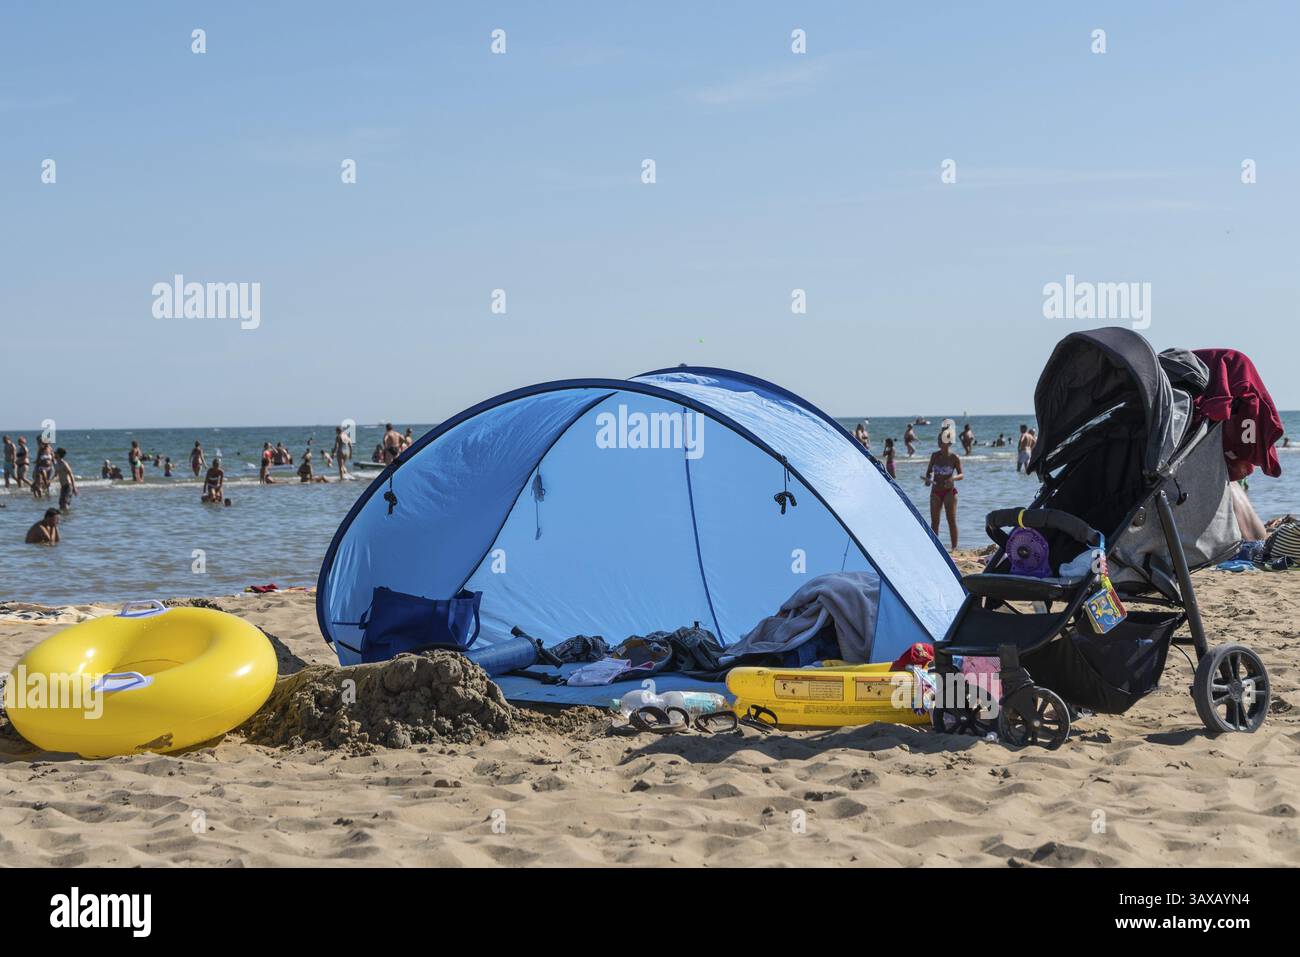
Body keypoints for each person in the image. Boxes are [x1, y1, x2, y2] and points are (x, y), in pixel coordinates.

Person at [924, 424, 963, 550]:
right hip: (935, 491)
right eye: (938, 439)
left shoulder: (954, 458)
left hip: (949, 492)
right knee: (935, 522)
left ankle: (954, 549)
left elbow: (961, 474)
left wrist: (953, 478)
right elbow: (929, 471)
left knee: (951, 520)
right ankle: (934, 548)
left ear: (949, 442)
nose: (939, 442)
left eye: (942, 440)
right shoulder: (934, 456)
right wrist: (928, 478)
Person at [53, 448, 77, 512]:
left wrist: (74, 487)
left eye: (55, 453)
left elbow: (71, 474)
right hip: (63, 487)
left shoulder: (64, 463)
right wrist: (49, 481)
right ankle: (64, 518)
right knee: (61, 504)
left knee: (65, 503)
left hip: (68, 486)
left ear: (58, 454)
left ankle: (67, 517)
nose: (54, 454)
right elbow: (56, 475)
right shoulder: (57, 464)